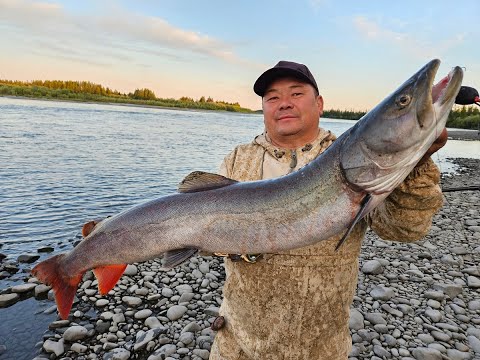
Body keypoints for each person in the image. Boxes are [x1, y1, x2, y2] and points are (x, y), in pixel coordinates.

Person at [209, 61, 446, 359]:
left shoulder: (355, 156)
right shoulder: (237, 160)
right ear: (264, 108)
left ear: (319, 104)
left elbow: (403, 229)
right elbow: (207, 238)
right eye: (272, 97)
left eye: (296, 94)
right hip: (238, 344)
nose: (284, 103)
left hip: (321, 346)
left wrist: (417, 164)